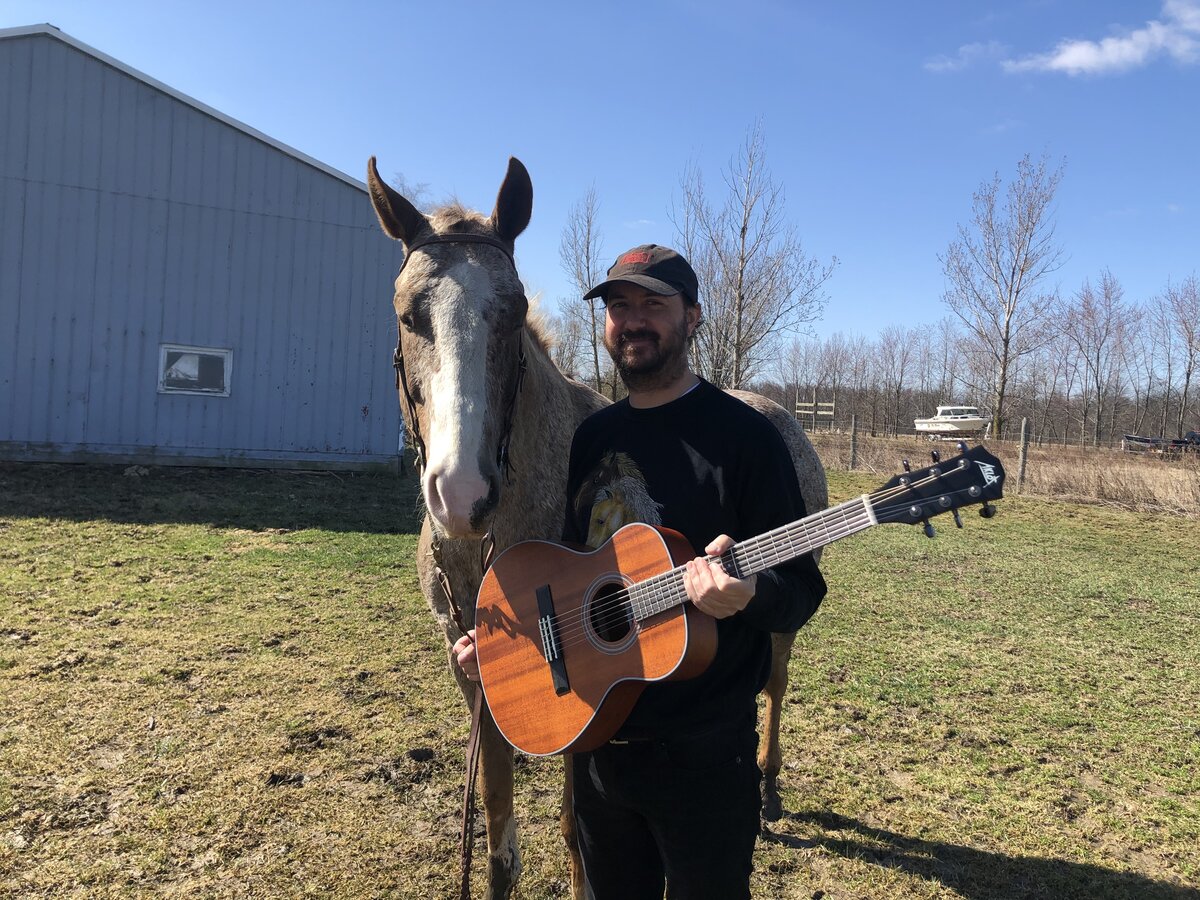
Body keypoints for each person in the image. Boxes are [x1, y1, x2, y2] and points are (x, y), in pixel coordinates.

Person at [453, 244, 827, 899]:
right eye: (619, 306)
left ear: (693, 318)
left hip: (706, 759)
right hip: (600, 756)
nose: (633, 321)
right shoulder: (595, 439)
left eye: (654, 304)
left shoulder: (747, 439)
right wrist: (502, 650)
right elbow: (572, 582)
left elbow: (800, 592)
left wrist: (748, 593)